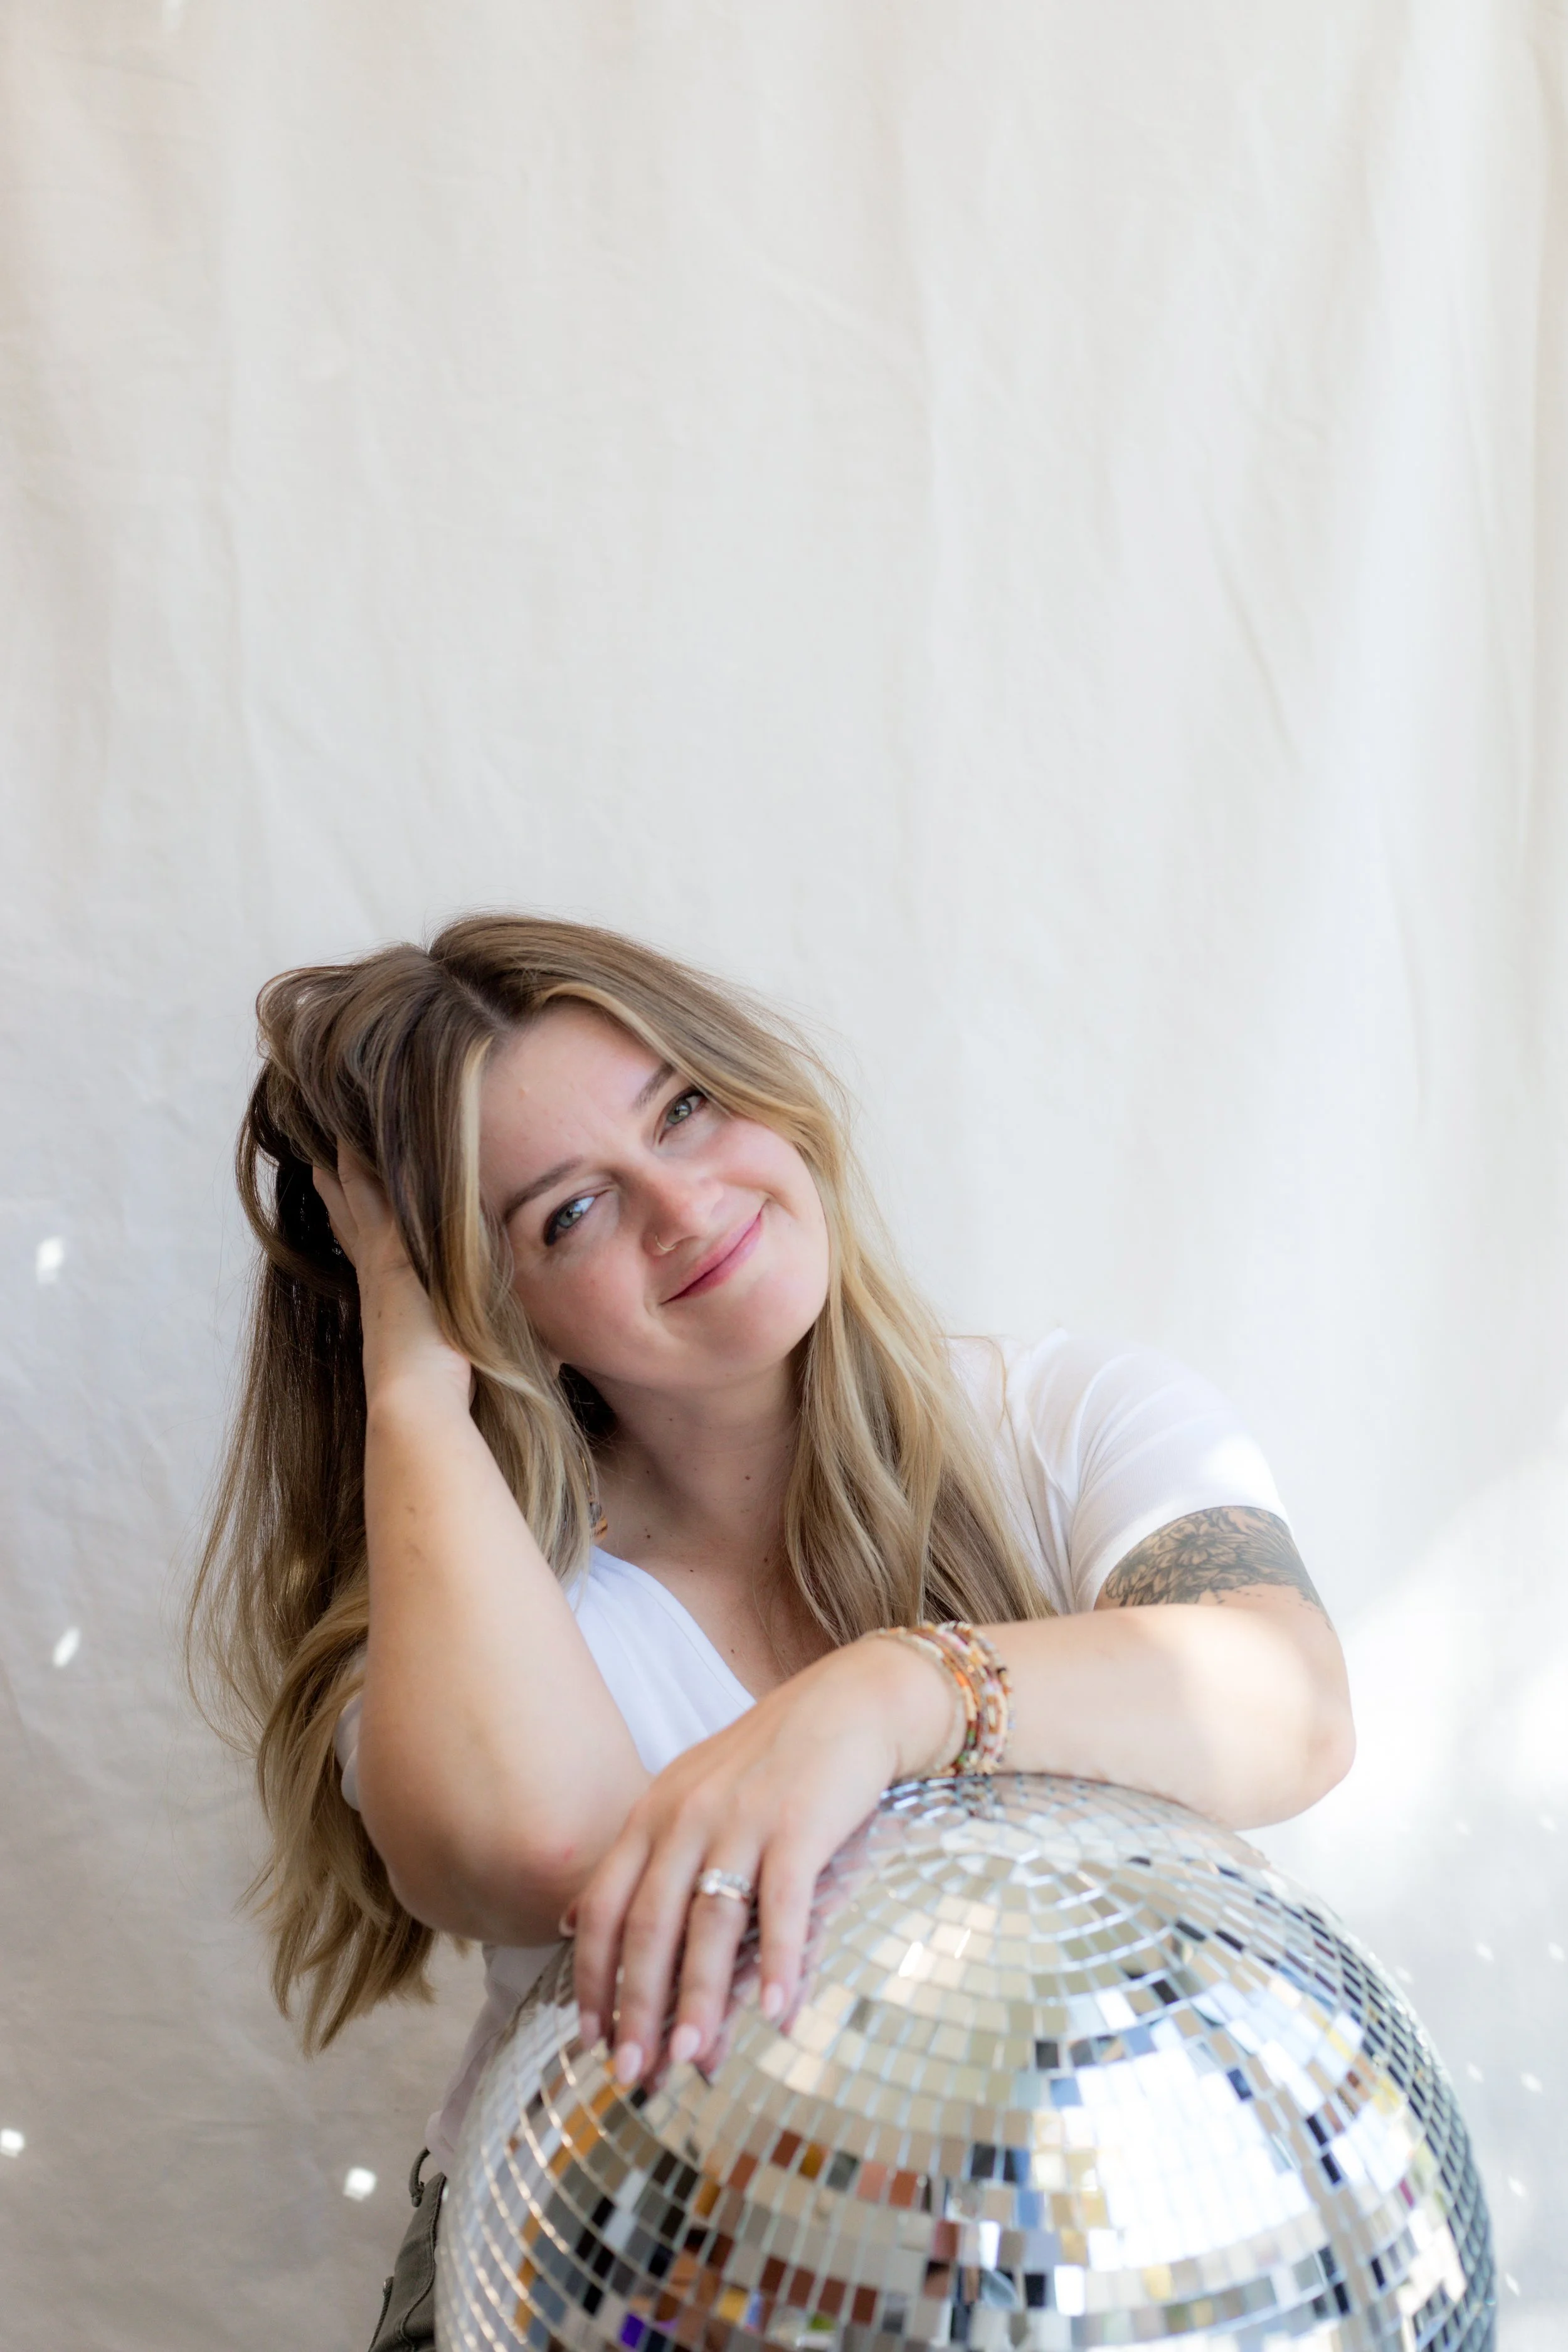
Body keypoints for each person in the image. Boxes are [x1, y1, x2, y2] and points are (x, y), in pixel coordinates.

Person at [189, 913, 1354, 2351]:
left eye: (682, 1109)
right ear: (491, 1311)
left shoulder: (1064, 1422)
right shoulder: (475, 1599)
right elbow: (543, 1851)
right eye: (569, 1213)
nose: (681, 1207)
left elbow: (1290, 1707)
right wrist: (416, 1395)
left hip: (1089, 2269)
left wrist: (890, 1696)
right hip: (614, 2302)